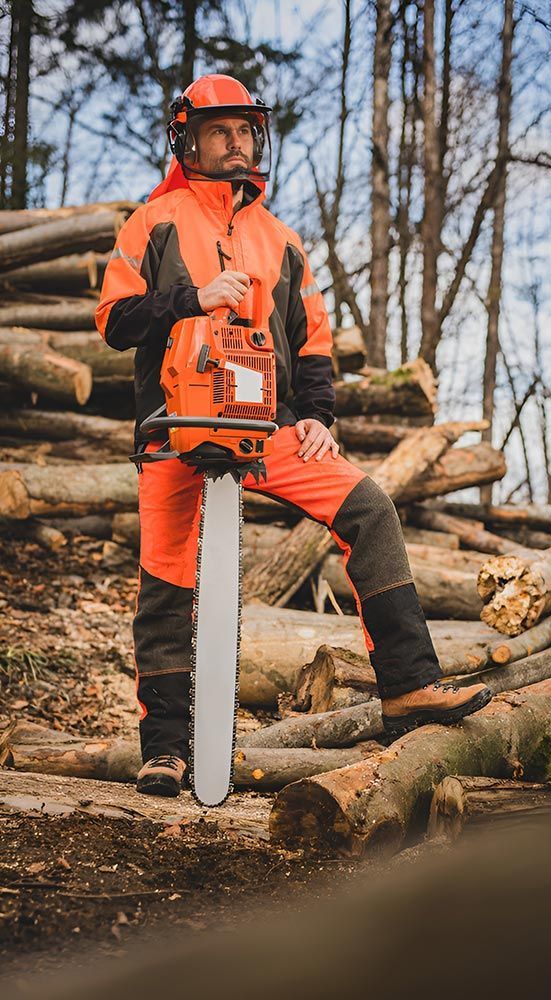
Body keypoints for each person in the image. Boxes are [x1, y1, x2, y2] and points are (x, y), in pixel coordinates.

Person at [95, 74, 491, 798]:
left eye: (245, 129)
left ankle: (407, 687)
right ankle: (166, 750)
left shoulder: (281, 239)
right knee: (165, 586)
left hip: (265, 428)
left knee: (369, 509)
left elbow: (313, 344)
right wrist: (191, 299)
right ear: (187, 137)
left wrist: (318, 416)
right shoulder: (152, 222)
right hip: (175, 428)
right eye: (221, 130)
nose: (236, 141)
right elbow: (116, 321)